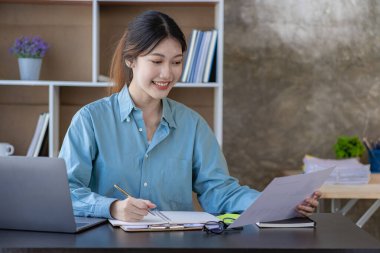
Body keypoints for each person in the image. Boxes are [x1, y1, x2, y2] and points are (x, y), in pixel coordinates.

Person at [59, 10, 320, 222]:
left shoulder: (192, 124)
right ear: (131, 60)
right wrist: (113, 207)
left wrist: (277, 203)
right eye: (156, 61)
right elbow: (65, 192)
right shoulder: (91, 120)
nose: (167, 74)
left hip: (176, 243)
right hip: (104, 244)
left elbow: (219, 192)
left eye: (176, 62)